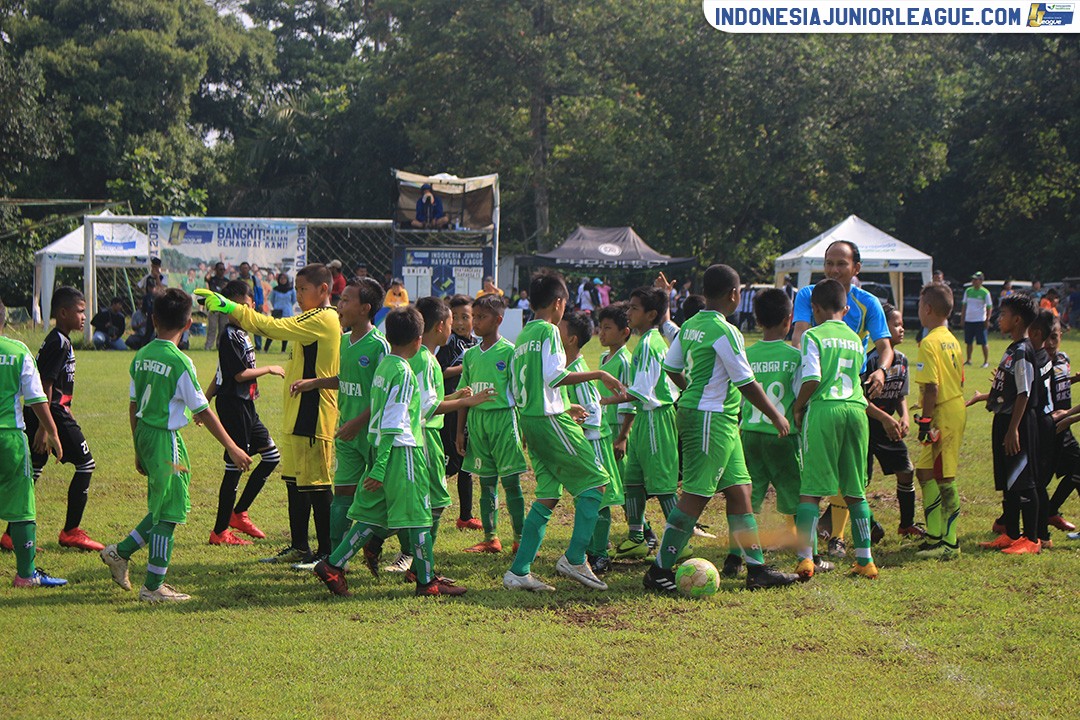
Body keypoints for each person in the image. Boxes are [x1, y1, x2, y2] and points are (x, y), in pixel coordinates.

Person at [643, 265, 799, 593]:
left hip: (718, 419)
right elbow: (746, 382)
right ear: (733, 294)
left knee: (741, 492)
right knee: (696, 495)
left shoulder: (692, 325)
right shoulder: (725, 331)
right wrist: (776, 415)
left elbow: (671, 367)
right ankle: (659, 570)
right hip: (710, 420)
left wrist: (692, 391)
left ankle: (756, 570)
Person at [100, 289, 251, 602]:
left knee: (163, 505)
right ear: (188, 324)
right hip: (165, 439)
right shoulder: (180, 361)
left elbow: (132, 406)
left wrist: (137, 448)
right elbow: (202, 410)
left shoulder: (141, 355)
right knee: (169, 512)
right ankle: (153, 587)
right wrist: (233, 446)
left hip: (145, 434)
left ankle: (120, 553)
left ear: (153, 320)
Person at [311, 307, 465, 597]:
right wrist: (382, 466)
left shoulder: (385, 366)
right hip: (403, 452)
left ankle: (333, 565)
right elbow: (395, 421)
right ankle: (426, 580)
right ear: (418, 340)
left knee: (374, 516)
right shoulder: (404, 372)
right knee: (420, 517)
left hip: (383, 448)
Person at [197, 264, 341, 569]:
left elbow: (273, 327)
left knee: (316, 485)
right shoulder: (309, 318)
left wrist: (230, 306)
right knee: (294, 482)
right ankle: (300, 547)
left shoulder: (324, 318)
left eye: (303, 289)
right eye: (298, 289)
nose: (299, 295)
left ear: (323, 290)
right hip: (296, 415)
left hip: (314, 415)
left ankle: (327, 552)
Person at [503, 271, 624, 592]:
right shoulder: (549, 331)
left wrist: (560, 405)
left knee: (547, 494)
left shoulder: (524, 334)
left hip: (531, 418)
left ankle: (519, 570)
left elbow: (518, 385)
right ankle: (573, 558)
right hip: (548, 420)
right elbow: (555, 375)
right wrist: (599, 373)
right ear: (559, 303)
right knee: (597, 484)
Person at [791, 240, 893, 554]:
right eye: (829, 263)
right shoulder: (809, 294)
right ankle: (859, 545)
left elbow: (885, 347)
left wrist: (881, 372)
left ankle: (829, 539)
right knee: (849, 475)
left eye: (841, 264)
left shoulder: (869, 303)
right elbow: (799, 336)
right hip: (840, 395)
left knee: (829, 474)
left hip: (836, 391)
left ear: (856, 268)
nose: (834, 269)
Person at [289, 278, 388, 556]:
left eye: (345, 301)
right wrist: (314, 383)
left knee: (387, 496)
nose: (339, 305)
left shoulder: (379, 346)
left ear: (365, 308)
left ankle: (390, 547)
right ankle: (335, 555)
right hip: (347, 433)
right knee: (342, 495)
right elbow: (345, 379)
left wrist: (358, 423)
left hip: (373, 434)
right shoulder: (343, 341)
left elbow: (383, 396)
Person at [13, 288, 104, 552]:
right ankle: (71, 531)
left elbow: (59, 383)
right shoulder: (59, 342)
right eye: (80, 311)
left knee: (34, 472)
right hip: (51, 415)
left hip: (49, 412)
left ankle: (11, 534)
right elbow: (45, 384)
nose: (84, 316)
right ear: (63, 313)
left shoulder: (60, 339)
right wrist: (45, 428)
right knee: (86, 465)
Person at [203, 281, 284, 547]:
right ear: (230, 307)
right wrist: (269, 368)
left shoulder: (242, 334)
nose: (247, 312)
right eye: (242, 307)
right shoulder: (228, 335)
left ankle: (239, 513)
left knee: (271, 457)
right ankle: (220, 531)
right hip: (233, 406)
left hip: (246, 404)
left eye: (249, 307)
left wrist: (205, 398)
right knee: (236, 465)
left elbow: (220, 372)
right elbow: (237, 374)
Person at [741, 288, 811, 574]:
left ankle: (738, 554)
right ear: (789, 320)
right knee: (797, 493)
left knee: (747, 497)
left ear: (757, 320)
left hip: (750, 432)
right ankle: (806, 553)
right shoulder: (795, 357)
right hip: (783, 435)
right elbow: (800, 394)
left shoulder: (747, 354)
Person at [967, 294, 1042, 554]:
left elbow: (1025, 393)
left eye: (1003, 315)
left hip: (1017, 423)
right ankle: (1011, 533)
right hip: (1004, 420)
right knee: (1009, 480)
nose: (999, 319)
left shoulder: (1023, 350)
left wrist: (1013, 430)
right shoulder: (1012, 348)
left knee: (1023, 480)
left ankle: (1031, 539)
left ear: (1017, 319)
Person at [611, 286, 682, 560]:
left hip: (657, 418)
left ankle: (681, 542)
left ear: (651, 314)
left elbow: (641, 390)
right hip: (644, 419)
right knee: (632, 481)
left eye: (634, 309)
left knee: (663, 485)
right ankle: (637, 537)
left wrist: (602, 400)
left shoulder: (651, 344)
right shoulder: (644, 343)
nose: (628, 313)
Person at [0, 300, 67, 588]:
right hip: (9, 438)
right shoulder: (17, 352)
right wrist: (51, 431)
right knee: (22, 505)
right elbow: (37, 398)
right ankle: (26, 574)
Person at [457, 294, 528, 554]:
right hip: (477, 423)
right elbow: (465, 395)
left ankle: (520, 538)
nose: (475, 322)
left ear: (498, 320)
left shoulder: (510, 352)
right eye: (474, 317)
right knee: (486, 482)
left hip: (503, 420)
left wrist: (523, 429)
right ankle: (491, 538)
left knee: (511, 483)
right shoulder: (471, 355)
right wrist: (460, 432)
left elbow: (520, 393)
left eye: (481, 317)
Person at [559, 310, 625, 577]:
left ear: (572, 339)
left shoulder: (579, 370)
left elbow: (593, 410)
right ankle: (589, 548)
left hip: (594, 442)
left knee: (600, 499)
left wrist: (580, 429)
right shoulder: (567, 368)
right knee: (587, 499)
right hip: (585, 442)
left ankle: (600, 554)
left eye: (560, 329)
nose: (555, 331)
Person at [911, 286, 967, 559]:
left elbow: (932, 387)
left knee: (944, 476)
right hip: (950, 406)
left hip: (943, 412)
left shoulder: (930, 342)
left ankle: (950, 542)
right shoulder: (952, 340)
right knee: (924, 472)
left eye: (920, 305)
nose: (918, 310)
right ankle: (934, 535)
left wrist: (925, 422)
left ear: (928, 309)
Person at [862, 303, 920, 540]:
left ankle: (907, 524)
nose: (902, 329)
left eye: (902, 325)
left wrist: (904, 416)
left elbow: (900, 395)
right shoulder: (870, 361)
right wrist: (885, 418)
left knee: (906, 471)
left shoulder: (903, 360)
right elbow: (861, 400)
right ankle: (867, 525)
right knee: (859, 482)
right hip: (867, 425)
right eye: (896, 325)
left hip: (889, 427)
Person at [594, 302, 635, 574]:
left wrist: (622, 436)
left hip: (616, 432)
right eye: (601, 327)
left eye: (608, 328)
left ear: (625, 332)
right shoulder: (602, 360)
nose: (602, 333)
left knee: (617, 490)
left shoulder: (624, 360)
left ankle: (640, 532)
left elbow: (630, 399)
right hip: (602, 430)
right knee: (610, 490)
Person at [436, 295, 481, 531]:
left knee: (466, 464)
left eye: (467, 317)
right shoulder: (449, 343)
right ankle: (429, 497)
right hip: (450, 410)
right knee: (451, 463)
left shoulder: (475, 344)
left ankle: (466, 516)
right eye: (457, 318)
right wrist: (467, 366)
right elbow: (440, 371)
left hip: (468, 410)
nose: (461, 323)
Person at [1046, 323, 1080, 531]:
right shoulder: (1038, 361)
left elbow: (1060, 383)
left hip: (1064, 426)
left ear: (1061, 335)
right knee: (1038, 477)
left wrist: (1072, 381)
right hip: (1048, 427)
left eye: (1054, 337)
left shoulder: (1063, 358)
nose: (1050, 343)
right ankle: (1006, 520)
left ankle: (1050, 511)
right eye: (1046, 337)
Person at [963, 271, 993, 368]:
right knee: (968, 342)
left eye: (975, 279)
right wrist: (962, 318)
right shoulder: (968, 291)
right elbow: (964, 305)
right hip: (969, 320)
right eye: (973, 279)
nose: (973, 281)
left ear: (981, 281)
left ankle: (985, 361)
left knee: (983, 342)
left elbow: (989, 307)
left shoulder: (985, 292)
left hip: (980, 320)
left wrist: (987, 319)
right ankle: (968, 360)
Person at [266, 273, 296, 353]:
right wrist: (277, 306)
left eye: (284, 279)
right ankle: (266, 348)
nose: (283, 280)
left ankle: (283, 350)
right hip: (277, 311)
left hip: (287, 312)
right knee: (273, 330)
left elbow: (294, 300)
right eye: (281, 279)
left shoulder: (291, 289)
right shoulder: (275, 289)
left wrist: (287, 306)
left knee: (285, 331)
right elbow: (272, 299)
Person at [204, 262, 229, 351]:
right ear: (216, 270)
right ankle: (208, 346)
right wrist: (211, 271)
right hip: (214, 306)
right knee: (212, 327)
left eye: (223, 269)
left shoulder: (227, 281)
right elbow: (206, 278)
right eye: (220, 269)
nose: (222, 271)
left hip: (224, 306)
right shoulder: (212, 279)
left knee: (223, 328)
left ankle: (220, 345)